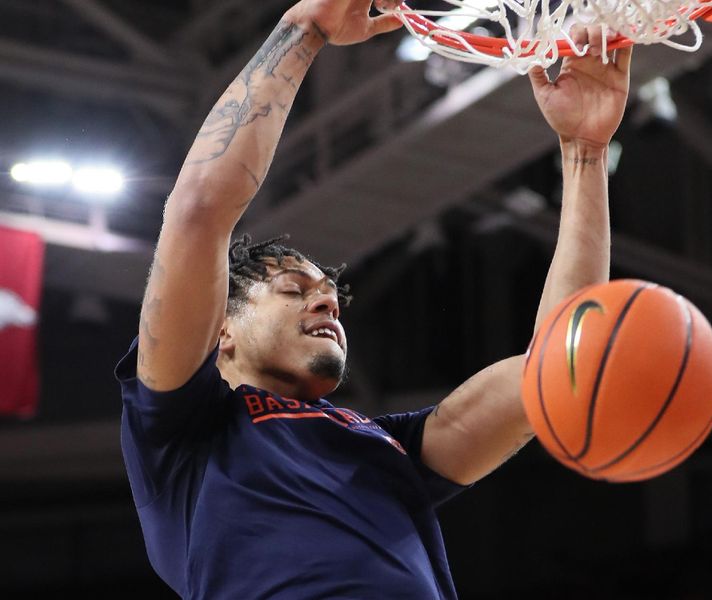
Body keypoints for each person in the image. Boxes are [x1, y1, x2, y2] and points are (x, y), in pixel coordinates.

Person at [114, 0, 632, 597]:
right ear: (221, 331)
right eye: (294, 289)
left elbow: (561, 365)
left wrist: (585, 152)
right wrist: (304, 30)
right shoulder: (183, 433)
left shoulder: (390, 450)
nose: (328, 304)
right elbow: (199, 211)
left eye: (331, 295)